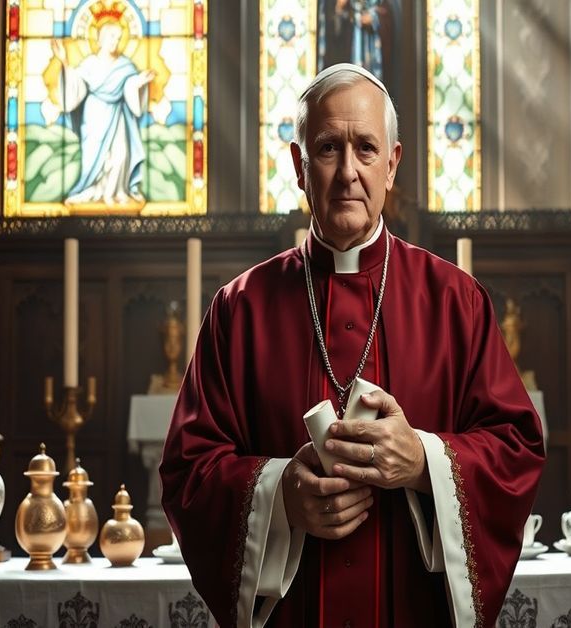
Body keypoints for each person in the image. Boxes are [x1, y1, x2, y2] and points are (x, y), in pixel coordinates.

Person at [161, 63, 545, 627]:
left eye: (366, 149)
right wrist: (281, 495)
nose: (347, 173)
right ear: (298, 165)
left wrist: (425, 462)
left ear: (392, 165)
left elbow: (516, 450)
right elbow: (188, 471)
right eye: (326, 148)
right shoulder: (238, 310)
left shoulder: (456, 301)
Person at [51, 20, 157, 206]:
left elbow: (130, 86)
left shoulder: (125, 65)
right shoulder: (89, 64)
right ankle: (92, 189)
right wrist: (64, 61)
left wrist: (139, 82)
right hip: (94, 115)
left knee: (121, 154)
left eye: (118, 38)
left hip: (118, 115)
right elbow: (76, 88)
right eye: (111, 37)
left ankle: (115, 192)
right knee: (96, 157)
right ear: (99, 39)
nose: (115, 41)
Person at [318, 0, 397, 82]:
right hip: (349, 57)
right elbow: (334, 32)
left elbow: (386, 15)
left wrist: (374, 18)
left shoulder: (380, 3)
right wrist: (339, 9)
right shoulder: (348, 4)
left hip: (373, 54)